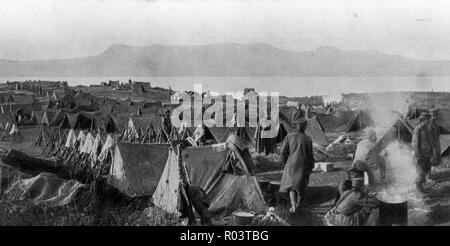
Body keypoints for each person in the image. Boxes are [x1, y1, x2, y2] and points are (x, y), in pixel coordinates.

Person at [280, 119, 315, 213]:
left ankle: (293, 205)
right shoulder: (307, 139)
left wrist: (285, 163)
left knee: (292, 186)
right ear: (304, 127)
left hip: (291, 164)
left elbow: (283, 152)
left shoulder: (289, 137)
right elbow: (310, 155)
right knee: (301, 185)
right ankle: (300, 203)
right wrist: (311, 165)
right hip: (303, 164)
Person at [411, 112, 434, 194]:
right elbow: (414, 144)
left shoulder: (426, 129)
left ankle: (421, 188)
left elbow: (429, 142)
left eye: (429, 119)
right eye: (428, 119)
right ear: (423, 120)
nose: (429, 121)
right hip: (420, 156)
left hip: (427, 155)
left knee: (425, 172)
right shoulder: (418, 129)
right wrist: (418, 156)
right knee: (420, 174)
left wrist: (431, 153)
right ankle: (418, 191)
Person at [429, 108, 441, 175]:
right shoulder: (431, 123)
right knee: (430, 160)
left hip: (435, 143)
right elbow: (430, 135)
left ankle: (429, 175)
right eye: (435, 114)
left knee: (433, 160)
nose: (436, 116)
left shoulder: (434, 123)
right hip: (432, 144)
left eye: (436, 114)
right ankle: (428, 177)